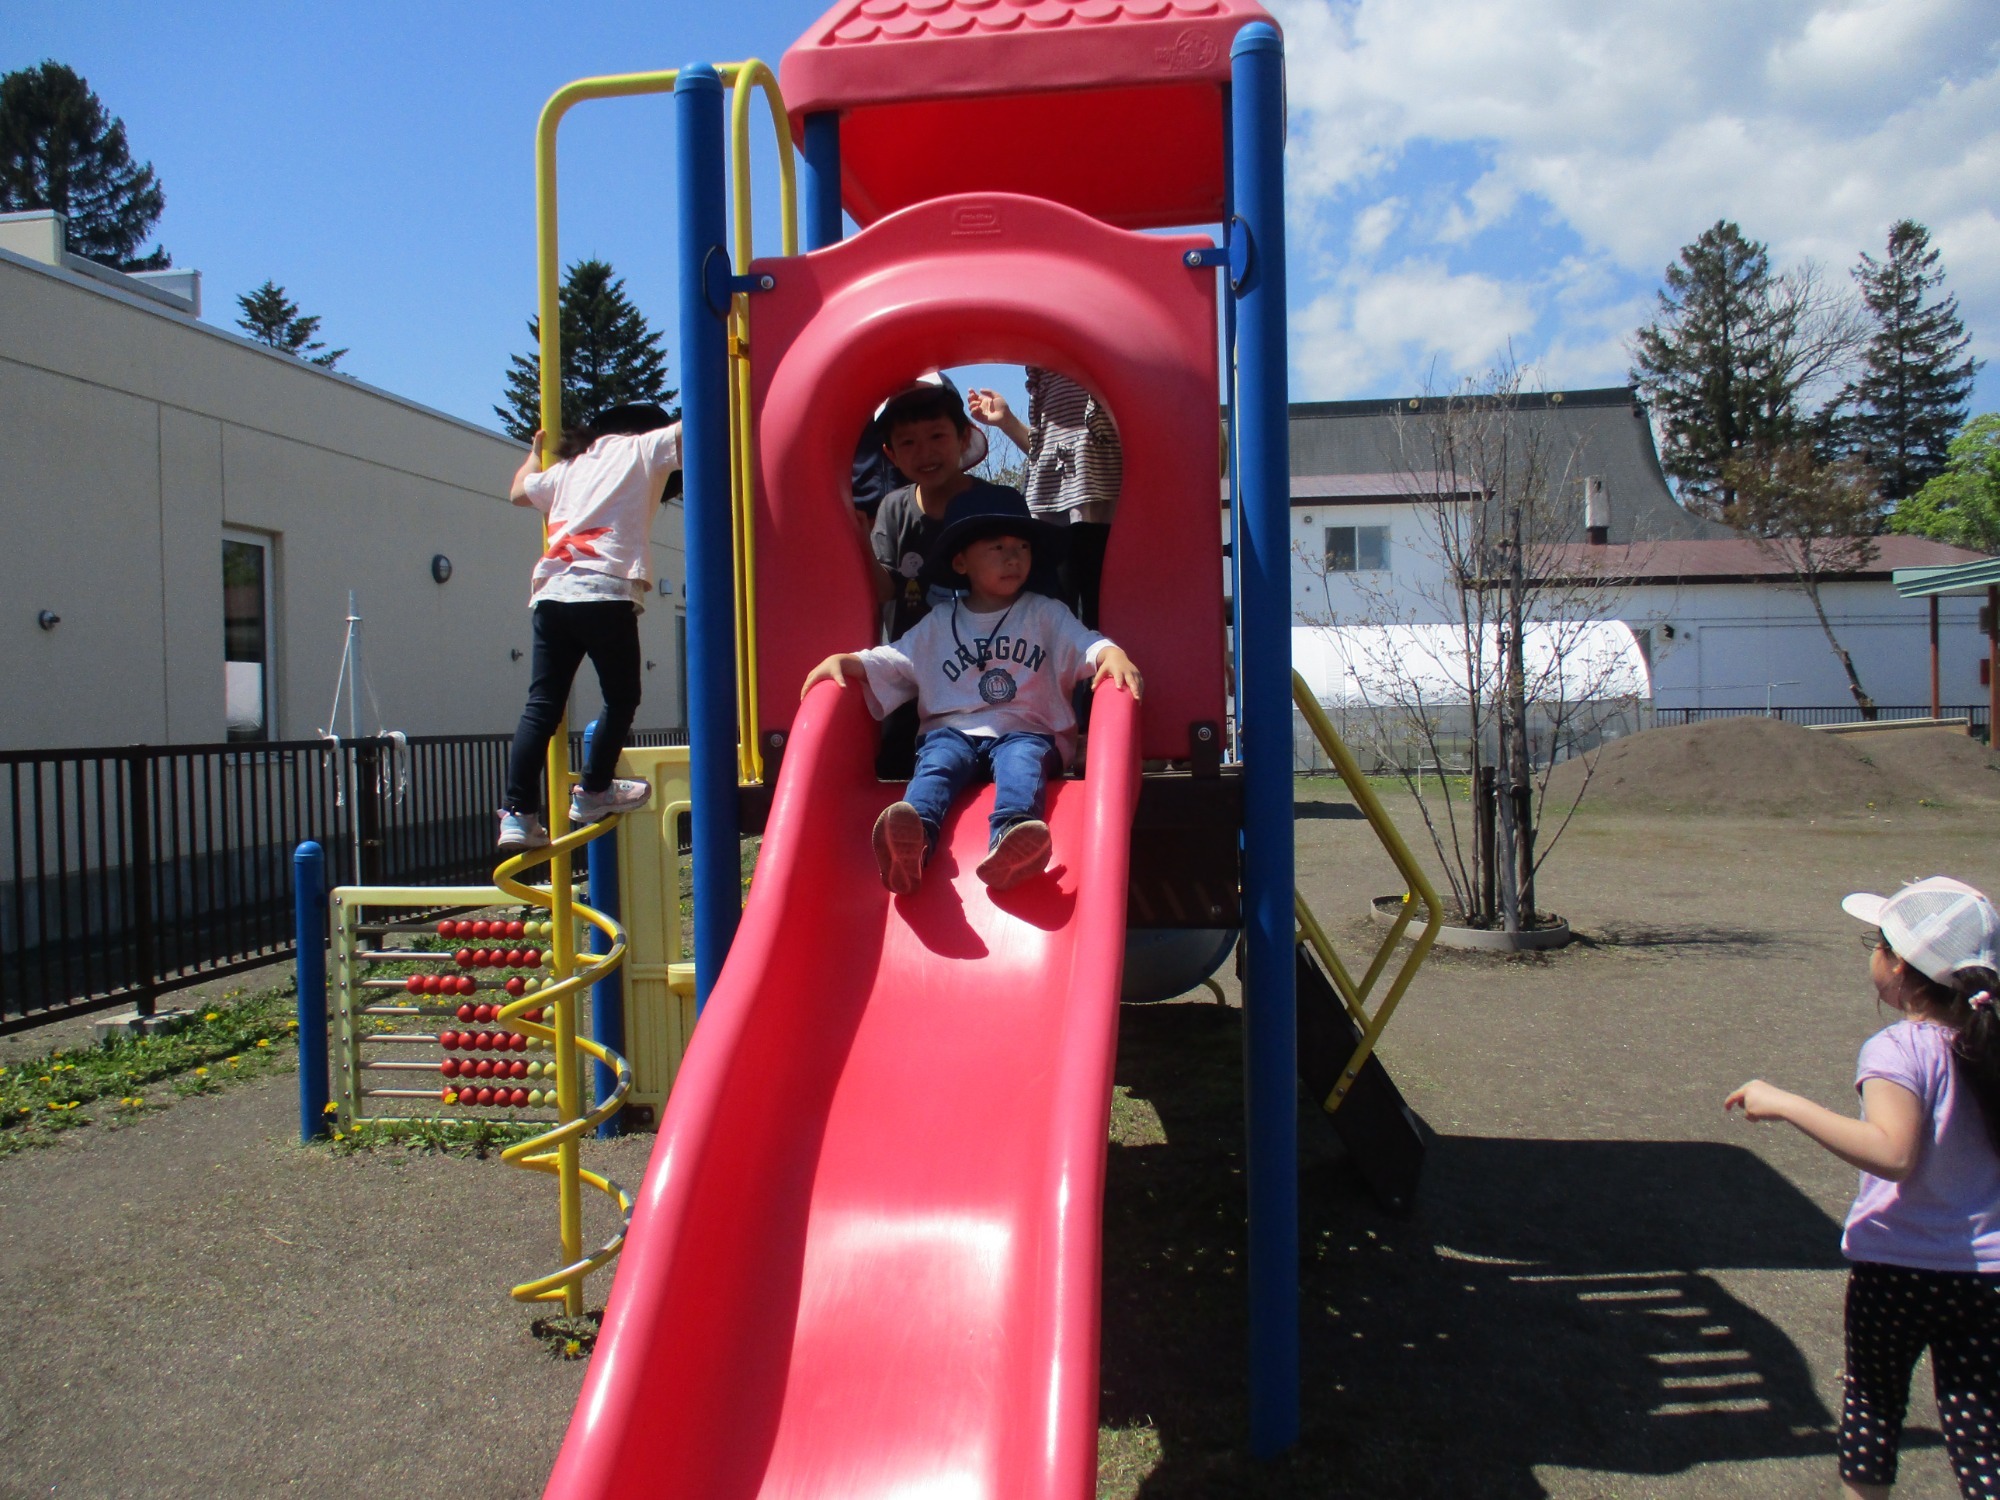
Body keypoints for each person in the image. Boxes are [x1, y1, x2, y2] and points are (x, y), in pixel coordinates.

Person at [1726, 876, 2000, 1500]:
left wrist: (1786, 1103)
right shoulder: (1989, 1046)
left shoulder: (1900, 1049)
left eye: (1874, 944)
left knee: (1874, 1409)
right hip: (1987, 1276)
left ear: (1898, 965)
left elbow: (1893, 1154)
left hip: (1897, 1267)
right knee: (1983, 1434)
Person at [803, 487, 1143, 894]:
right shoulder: (940, 620)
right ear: (961, 561)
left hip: (1026, 731)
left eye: (1021, 547)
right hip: (952, 731)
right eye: (996, 547)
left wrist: (1111, 654)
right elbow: (895, 659)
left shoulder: (1044, 613)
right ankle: (913, 840)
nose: (1012, 557)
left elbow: (1084, 642)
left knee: (1022, 764)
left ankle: (1013, 839)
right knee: (936, 765)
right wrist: (851, 661)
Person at [496, 403, 681, 852]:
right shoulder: (642, 447)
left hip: (552, 593)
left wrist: (536, 451)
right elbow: (699, 425)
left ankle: (517, 814)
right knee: (622, 696)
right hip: (605, 591)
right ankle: (594, 789)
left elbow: (519, 491)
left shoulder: (569, 468)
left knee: (542, 706)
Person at [967, 368, 1122, 627]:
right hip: (1050, 510)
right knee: (1057, 610)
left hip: (1097, 506)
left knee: (1100, 611)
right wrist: (1007, 422)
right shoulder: (1045, 374)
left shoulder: (1089, 366)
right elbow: (1043, 451)